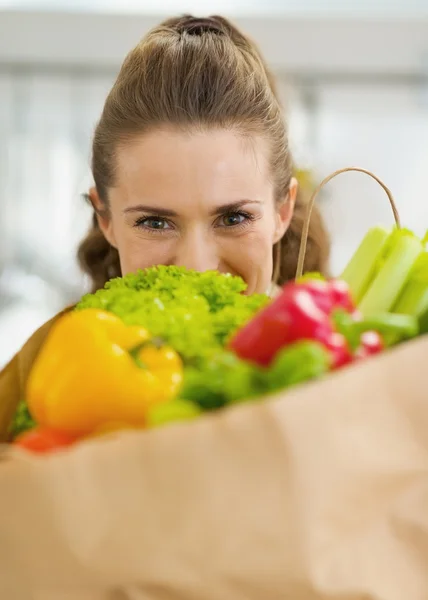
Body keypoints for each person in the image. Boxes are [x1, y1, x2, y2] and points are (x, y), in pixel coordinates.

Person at [0, 14, 330, 439]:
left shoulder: (338, 369)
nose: (195, 265)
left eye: (233, 218)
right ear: (106, 219)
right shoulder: (47, 372)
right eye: (155, 222)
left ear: (282, 212)